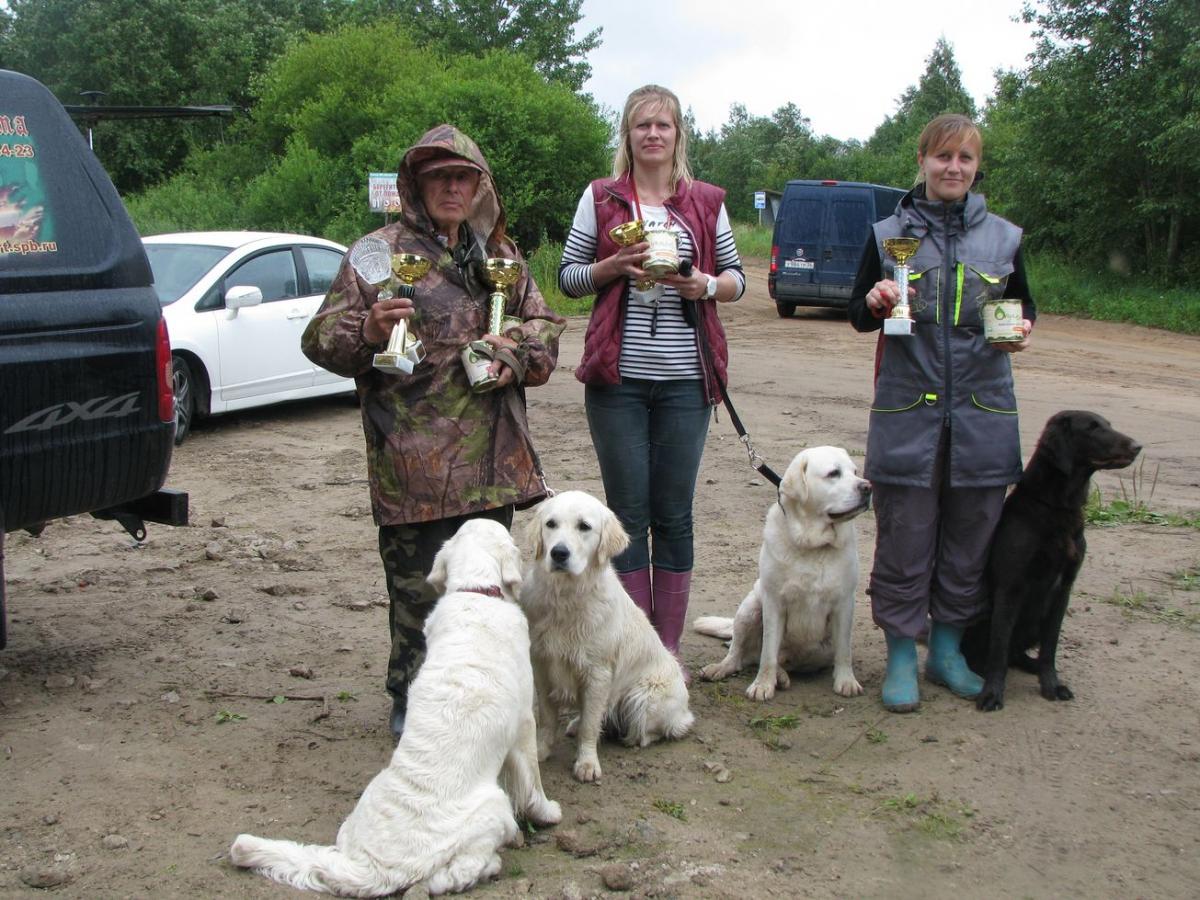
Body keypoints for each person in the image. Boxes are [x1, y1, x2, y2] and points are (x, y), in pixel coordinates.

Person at [302, 124, 565, 737]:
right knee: (419, 596)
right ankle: (413, 702)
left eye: (463, 177)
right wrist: (367, 332)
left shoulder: (500, 256)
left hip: (491, 465)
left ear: (479, 186)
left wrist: (516, 352)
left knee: (487, 590)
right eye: (438, 177)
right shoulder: (377, 254)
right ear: (415, 186)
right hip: (413, 468)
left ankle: (483, 696)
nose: (452, 187)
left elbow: (545, 324)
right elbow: (319, 340)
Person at [847, 113, 1036, 713]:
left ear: (977, 167)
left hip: (983, 415)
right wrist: (875, 300)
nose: (953, 167)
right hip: (908, 415)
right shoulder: (886, 235)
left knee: (970, 543)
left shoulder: (1005, 239)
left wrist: (1021, 329)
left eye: (965, 158)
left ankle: (947, 651)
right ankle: (901, 656)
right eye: (943, 156)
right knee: (904, 540)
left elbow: (1023, 307)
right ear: (923, 161)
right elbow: (858, 312)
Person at [558, 84, 746, 670]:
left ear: (678, 134)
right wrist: (612, 267)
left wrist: (704, 285)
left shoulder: (707, 200)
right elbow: (567, 278)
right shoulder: (601, 197)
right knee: (627, 516)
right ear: (628, 134)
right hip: (617, 381)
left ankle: (666, 654)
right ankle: (632, 652)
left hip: (687, 382)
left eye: (663, 125)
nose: (653, 134)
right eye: (642, 125)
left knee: (674, 515)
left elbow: (737, 279)